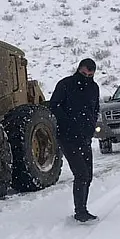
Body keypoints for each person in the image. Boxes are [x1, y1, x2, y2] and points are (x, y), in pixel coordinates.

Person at [49, 58, 100, 222]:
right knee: (81, 174)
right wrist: (68, 123)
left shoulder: (94, 88)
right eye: (84, 73)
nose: (86, 76)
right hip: (67, 137)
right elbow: (54, 105)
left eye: (90, 74)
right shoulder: (65, 85)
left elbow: (95, 108)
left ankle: (83, 208)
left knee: (88, 176)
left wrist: (91, 126)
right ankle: (80, 212)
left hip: (85, 137)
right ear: (79, 69)